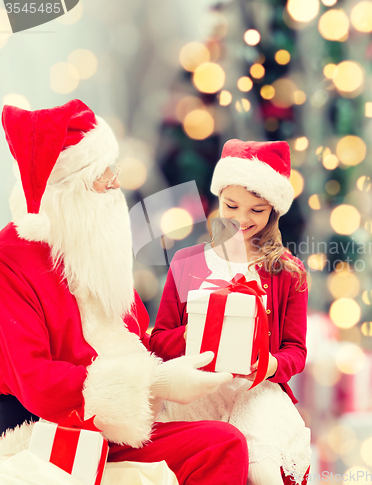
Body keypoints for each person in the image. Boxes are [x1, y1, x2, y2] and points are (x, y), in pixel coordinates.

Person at [0, 100, 248, 485]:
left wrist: (203, 334)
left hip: (118, 425)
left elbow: (135, 341)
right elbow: (36, 382)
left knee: (230, 434)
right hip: (52, 431)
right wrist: (155, 383)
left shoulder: (92, 246)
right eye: (103, 174)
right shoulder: (10, 261)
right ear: (70, 191)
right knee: (223, 445)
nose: (117, 182)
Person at [150, 139, 311, 485]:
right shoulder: (188, 262)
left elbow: (296, 351)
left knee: (260, 466)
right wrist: (201, 332)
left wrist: (270, 365)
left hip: (255, 392)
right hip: (196, 392)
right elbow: (159, 342)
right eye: (231, 205)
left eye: (257, 210)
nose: (240, 219)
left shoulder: (289, 272)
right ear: (218, 199)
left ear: (274, 211)